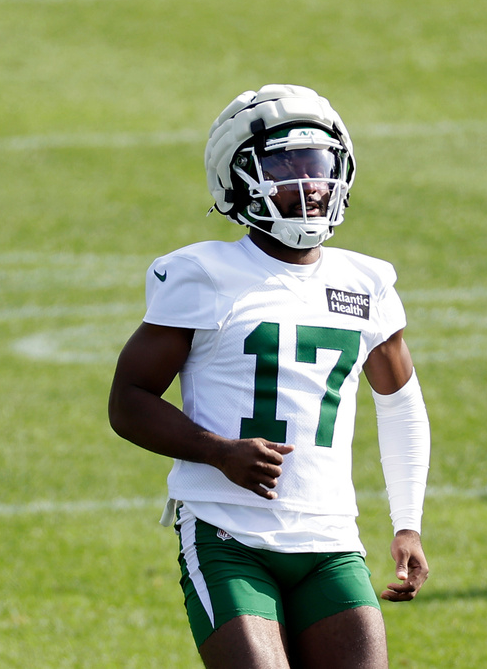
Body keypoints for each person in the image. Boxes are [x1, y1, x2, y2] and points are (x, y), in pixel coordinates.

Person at [108, 84, 430, 669]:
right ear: (238, 180)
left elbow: (401, 403)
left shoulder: (367, 282)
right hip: (229, 533)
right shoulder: (203, 273)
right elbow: (128, 401)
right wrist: (219, 452)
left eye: (318, 165)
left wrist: (407, 525)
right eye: (284, 166)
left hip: (330, 539)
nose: (308, 183)